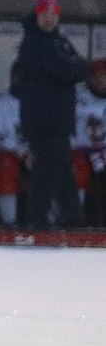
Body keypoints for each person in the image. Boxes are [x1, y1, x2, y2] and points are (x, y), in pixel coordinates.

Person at [17, 0, 88, 230]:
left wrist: (75, 68)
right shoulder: (34, 42)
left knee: (64, 173)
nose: (49, 18)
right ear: (36, 15)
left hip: (59, 121)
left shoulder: (57, 38)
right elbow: (70, 69)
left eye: (53, 13)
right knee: (47, 174)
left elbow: (78, 67)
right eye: (44, 13)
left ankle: (73, 221)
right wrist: (75, 68)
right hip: (43, 121)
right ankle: (36, 224)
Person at [0, 60, 27, 227]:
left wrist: (34, 151)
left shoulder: (41, 103)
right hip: (6, 153)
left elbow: (46, 135)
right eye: (17, 75)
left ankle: (49, 223)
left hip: (33, 154)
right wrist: (21, 150)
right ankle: (9, 223)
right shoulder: (0, 102)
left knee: (52, 166)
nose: (21, 79)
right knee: (7, 167)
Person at [70, 58, 106, 226]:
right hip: (79, 149)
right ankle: (75, 220)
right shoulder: (79, 95)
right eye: (96, 76)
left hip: (102, 152)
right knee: (78, 171)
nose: (100, 80)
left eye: (104, 76)